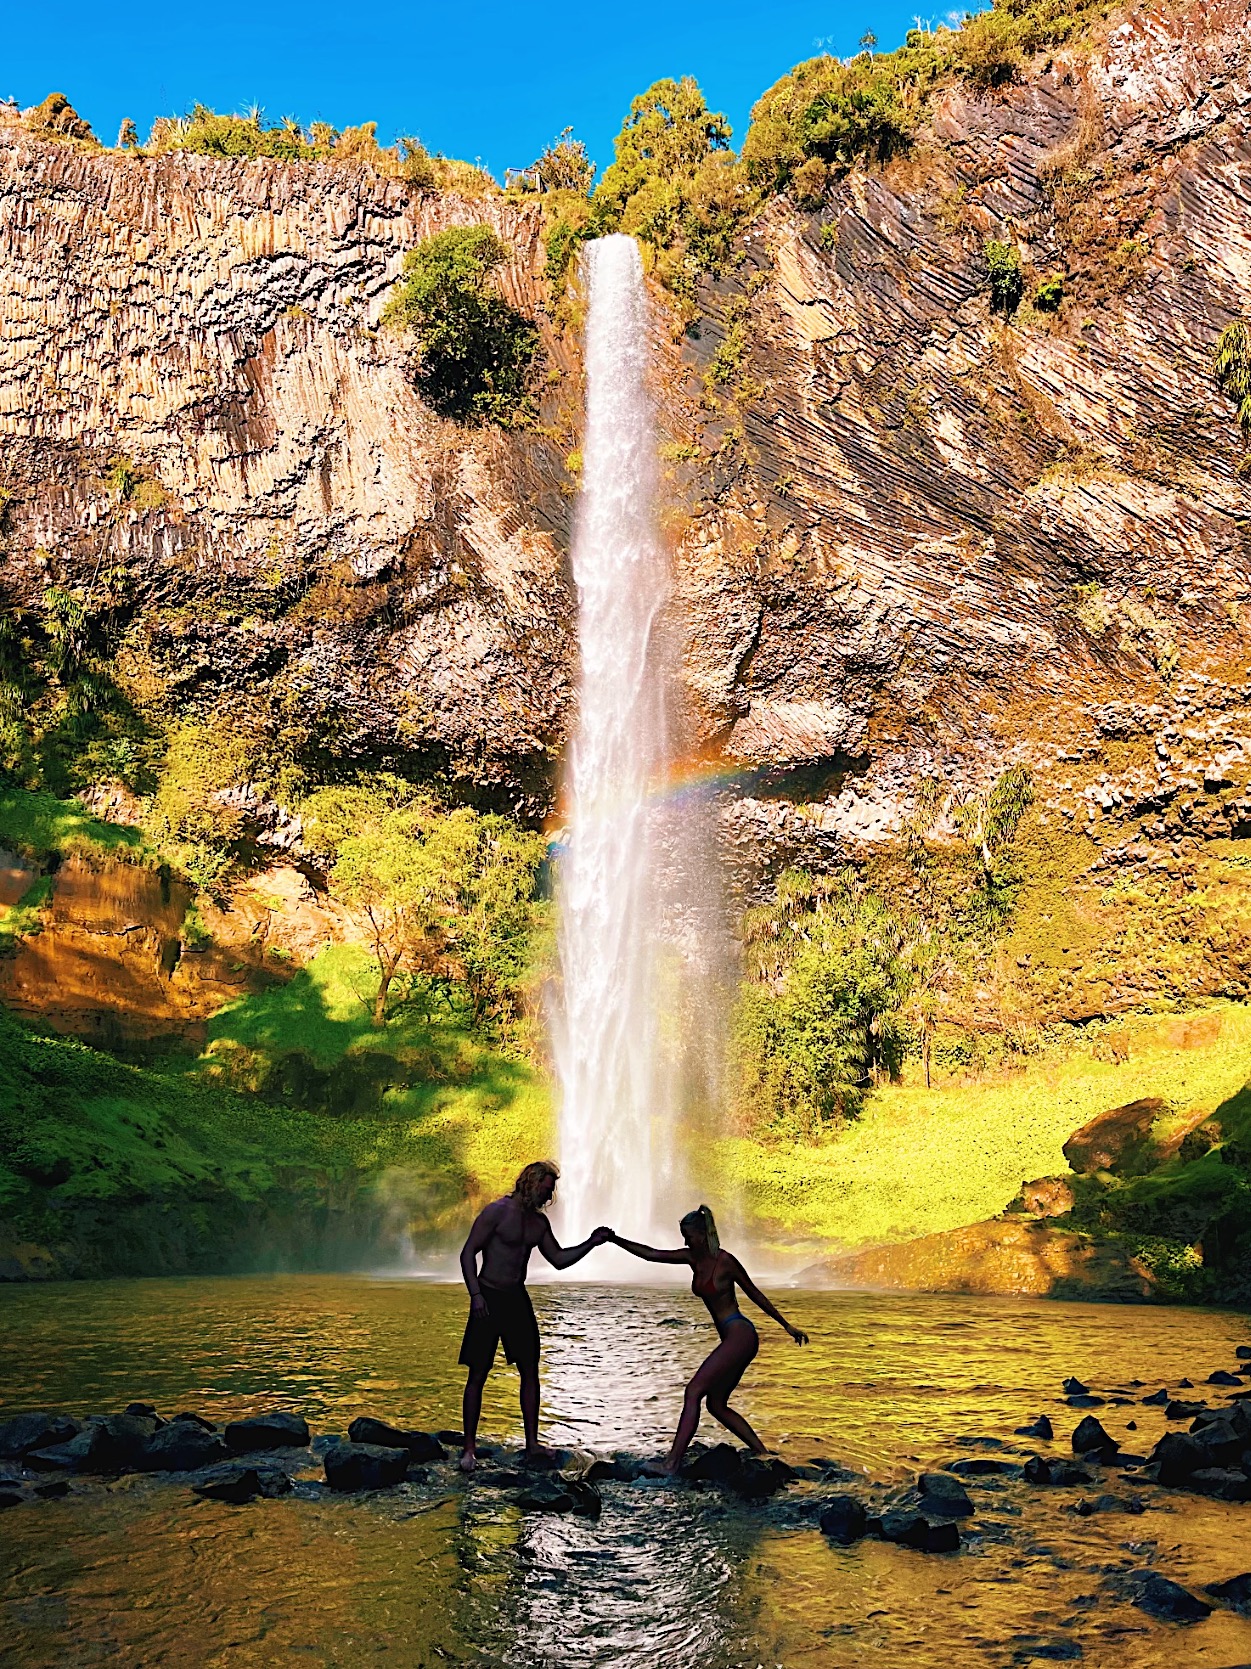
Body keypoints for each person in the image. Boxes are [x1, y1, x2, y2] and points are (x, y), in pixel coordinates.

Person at [609, 1204, 808, 1474]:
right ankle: (764, 1455)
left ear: (702, 1234)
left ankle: (671, 1464)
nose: (685, 1241)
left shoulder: (725, 1261)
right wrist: (614, 1239)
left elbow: (754, 1293)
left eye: (688, 1235)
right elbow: (653, 1255)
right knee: (716, 1404)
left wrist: (787, 1325)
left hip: (740, 1334)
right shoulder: (692, 1258)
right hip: (733, 1337)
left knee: (693, 1392)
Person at [458, 1159, 611, 1473]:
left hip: (516, 1298)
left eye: (551, 1191)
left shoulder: (538, 1224)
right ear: (530, 1183)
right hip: (488, 1295)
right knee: (478, 1372)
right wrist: (475, 1295)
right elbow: (468, 1252)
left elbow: (558, 1259)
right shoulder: (496, 1212)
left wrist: (591, 1244)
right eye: (546, 1189)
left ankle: (532, 1444)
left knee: (530, 1369)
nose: (548, 1196)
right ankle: (469, 1449)